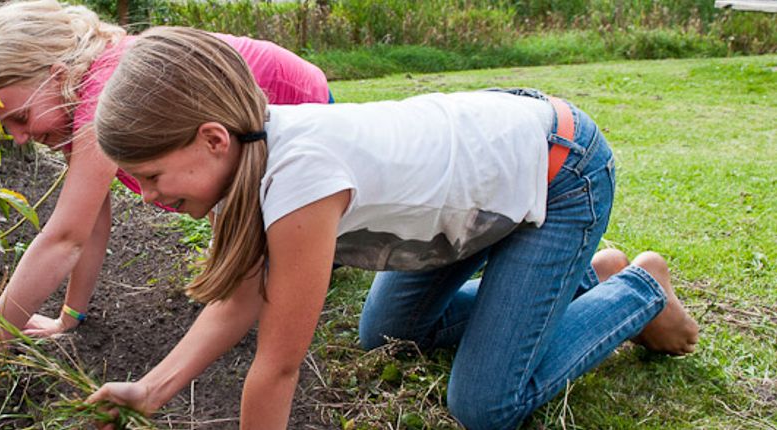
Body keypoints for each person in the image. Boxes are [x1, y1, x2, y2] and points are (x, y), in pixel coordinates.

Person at [84, 27, 699, 429]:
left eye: (152, 175)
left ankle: (639, 290)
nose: (147, 195)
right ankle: (582, 278)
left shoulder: (298, 179)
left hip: (558, 176)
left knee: (485, 406)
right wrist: (152, 388)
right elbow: (238, 297)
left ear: (211, 139)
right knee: (388, 334)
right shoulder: (241, 162)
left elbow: (277, 365)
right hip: (478, 199)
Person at [0, 0, 331, 423]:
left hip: (299, 112)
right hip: (233, 151)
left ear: (54, 76)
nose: (17, 138)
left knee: (265, 269)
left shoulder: (107, 88)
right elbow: (88, 222)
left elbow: (64, 237)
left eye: (20, 117)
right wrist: (69, 317)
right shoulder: (78, 93)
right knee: (238, 257)